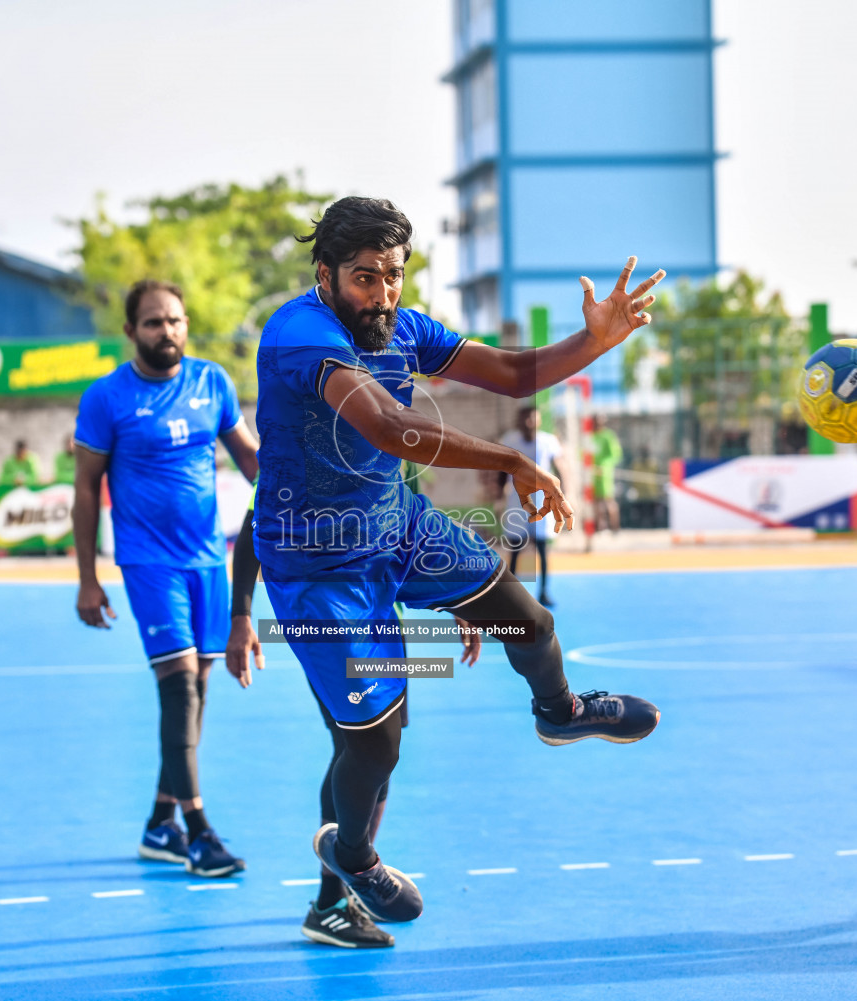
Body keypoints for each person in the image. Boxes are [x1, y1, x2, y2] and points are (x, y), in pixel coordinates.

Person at [253, 196, 661, 930]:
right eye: (364, 278)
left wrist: (593, 341)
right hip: (320, 568)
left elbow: (510, 372)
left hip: (395, 526)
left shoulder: (404, 328)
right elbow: (389, 426)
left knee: (526, 620)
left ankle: (560, 712)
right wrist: (511, 459)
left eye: (393, 276)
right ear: (325, 275)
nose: (382, 293)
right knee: (376, 743)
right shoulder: (300, 336)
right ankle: (352, 859)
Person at [225, 497, 481, 948]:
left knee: (380, 759)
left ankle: (350, 887)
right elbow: (251, 531)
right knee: (355, 750)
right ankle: (330, 903)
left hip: (380, 621)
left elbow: (405, 535)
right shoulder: (303, 439)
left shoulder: (379, 449)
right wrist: (241, 617)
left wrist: (455, 598)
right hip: (327, 621)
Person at [71, 279, 260, 878]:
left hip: (210, 559)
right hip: (149, 563)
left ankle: (160, 822)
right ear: (130, 332)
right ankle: (200, 833)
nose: (167, 331)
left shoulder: (213, 383)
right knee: (179, 687)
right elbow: (83, 490)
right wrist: (87, 578)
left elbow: (252, 460)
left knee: (196, 694)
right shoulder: (106, 399)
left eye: (175, 320)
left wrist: (307, 498)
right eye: (153, 323)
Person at [496, 406, 563, 605]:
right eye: (525, 418)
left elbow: (559, 468)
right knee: (515, 547)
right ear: (519, 420)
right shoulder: (509, 440)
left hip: (542, 500)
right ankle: (512, 594)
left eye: (532, 418)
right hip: (517, 500)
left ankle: (543, 591)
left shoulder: (548, 441)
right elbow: (501, 470)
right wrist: (499, 495)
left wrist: (561, 496)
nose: (529, 422)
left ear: (539, 420)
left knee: (541, 547)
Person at [589, 412, 623, 542]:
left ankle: (615, 528)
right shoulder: (590, 436)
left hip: (605, 473)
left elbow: (615, 454)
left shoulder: (608, 436)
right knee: (596, 502)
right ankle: (602, 527)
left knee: (608, 500)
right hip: (592, 473)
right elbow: (584, 453)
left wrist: (604, 466)